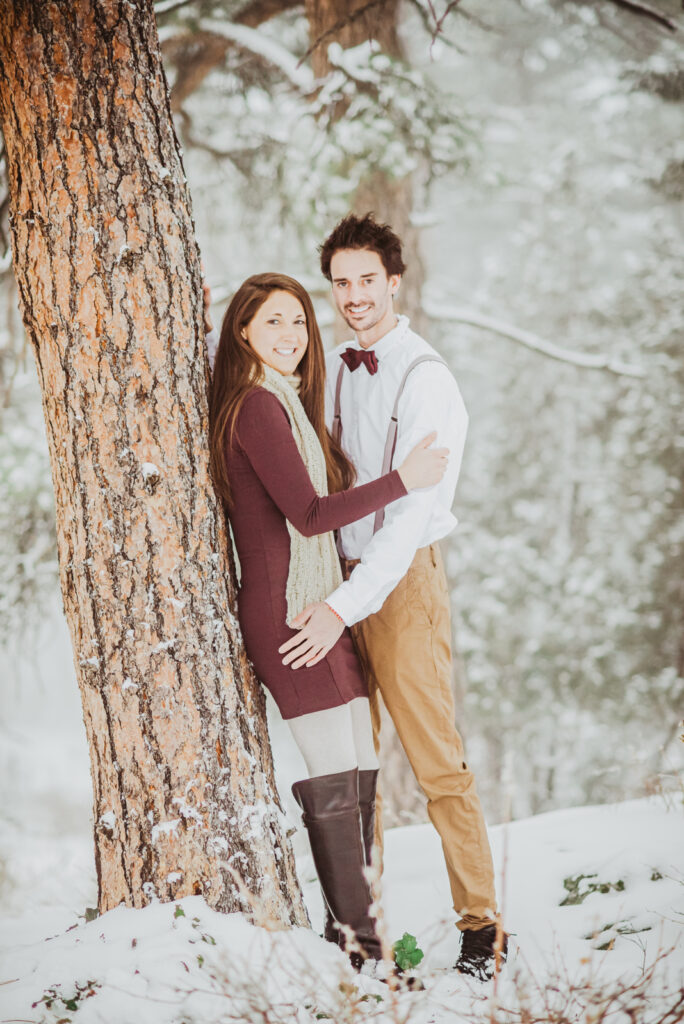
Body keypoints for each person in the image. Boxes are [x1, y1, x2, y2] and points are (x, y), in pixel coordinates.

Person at [278, 215, 507, 981]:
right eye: (341, 283)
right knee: (352, 769)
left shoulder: (425, 378)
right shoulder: (333, 363)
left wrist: (345, 606)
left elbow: (408, 518)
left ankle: (483, 930)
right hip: (336, 575)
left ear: (394, 282)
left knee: (436, 761)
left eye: (366, 280)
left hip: (400, 583)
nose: (353, 296)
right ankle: (359, 933)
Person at [206, 272, 448, 971]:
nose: (291, 335)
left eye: (299, 323)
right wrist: (406, 479)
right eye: (274, 321)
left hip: (323, 607)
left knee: (362, 775)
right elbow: (308, 514)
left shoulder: (284, 403)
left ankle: (363, 937)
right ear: (244, 331)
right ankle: (360, 952)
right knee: (332, 781)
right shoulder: (255, 405)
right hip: (288, 617)